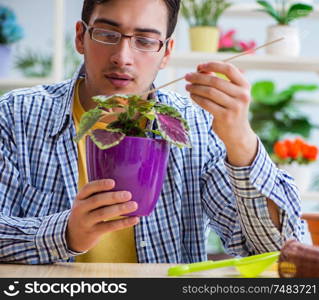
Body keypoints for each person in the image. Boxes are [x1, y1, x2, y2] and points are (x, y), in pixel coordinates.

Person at [0, 0, 303, 264]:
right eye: (107, 34)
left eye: (145, 41)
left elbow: (280, 252)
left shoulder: (196, 126)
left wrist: (242, 141)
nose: (123, 56)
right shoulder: (17, 116)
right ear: (81, 37)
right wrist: (66, 234)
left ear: (167, 51)